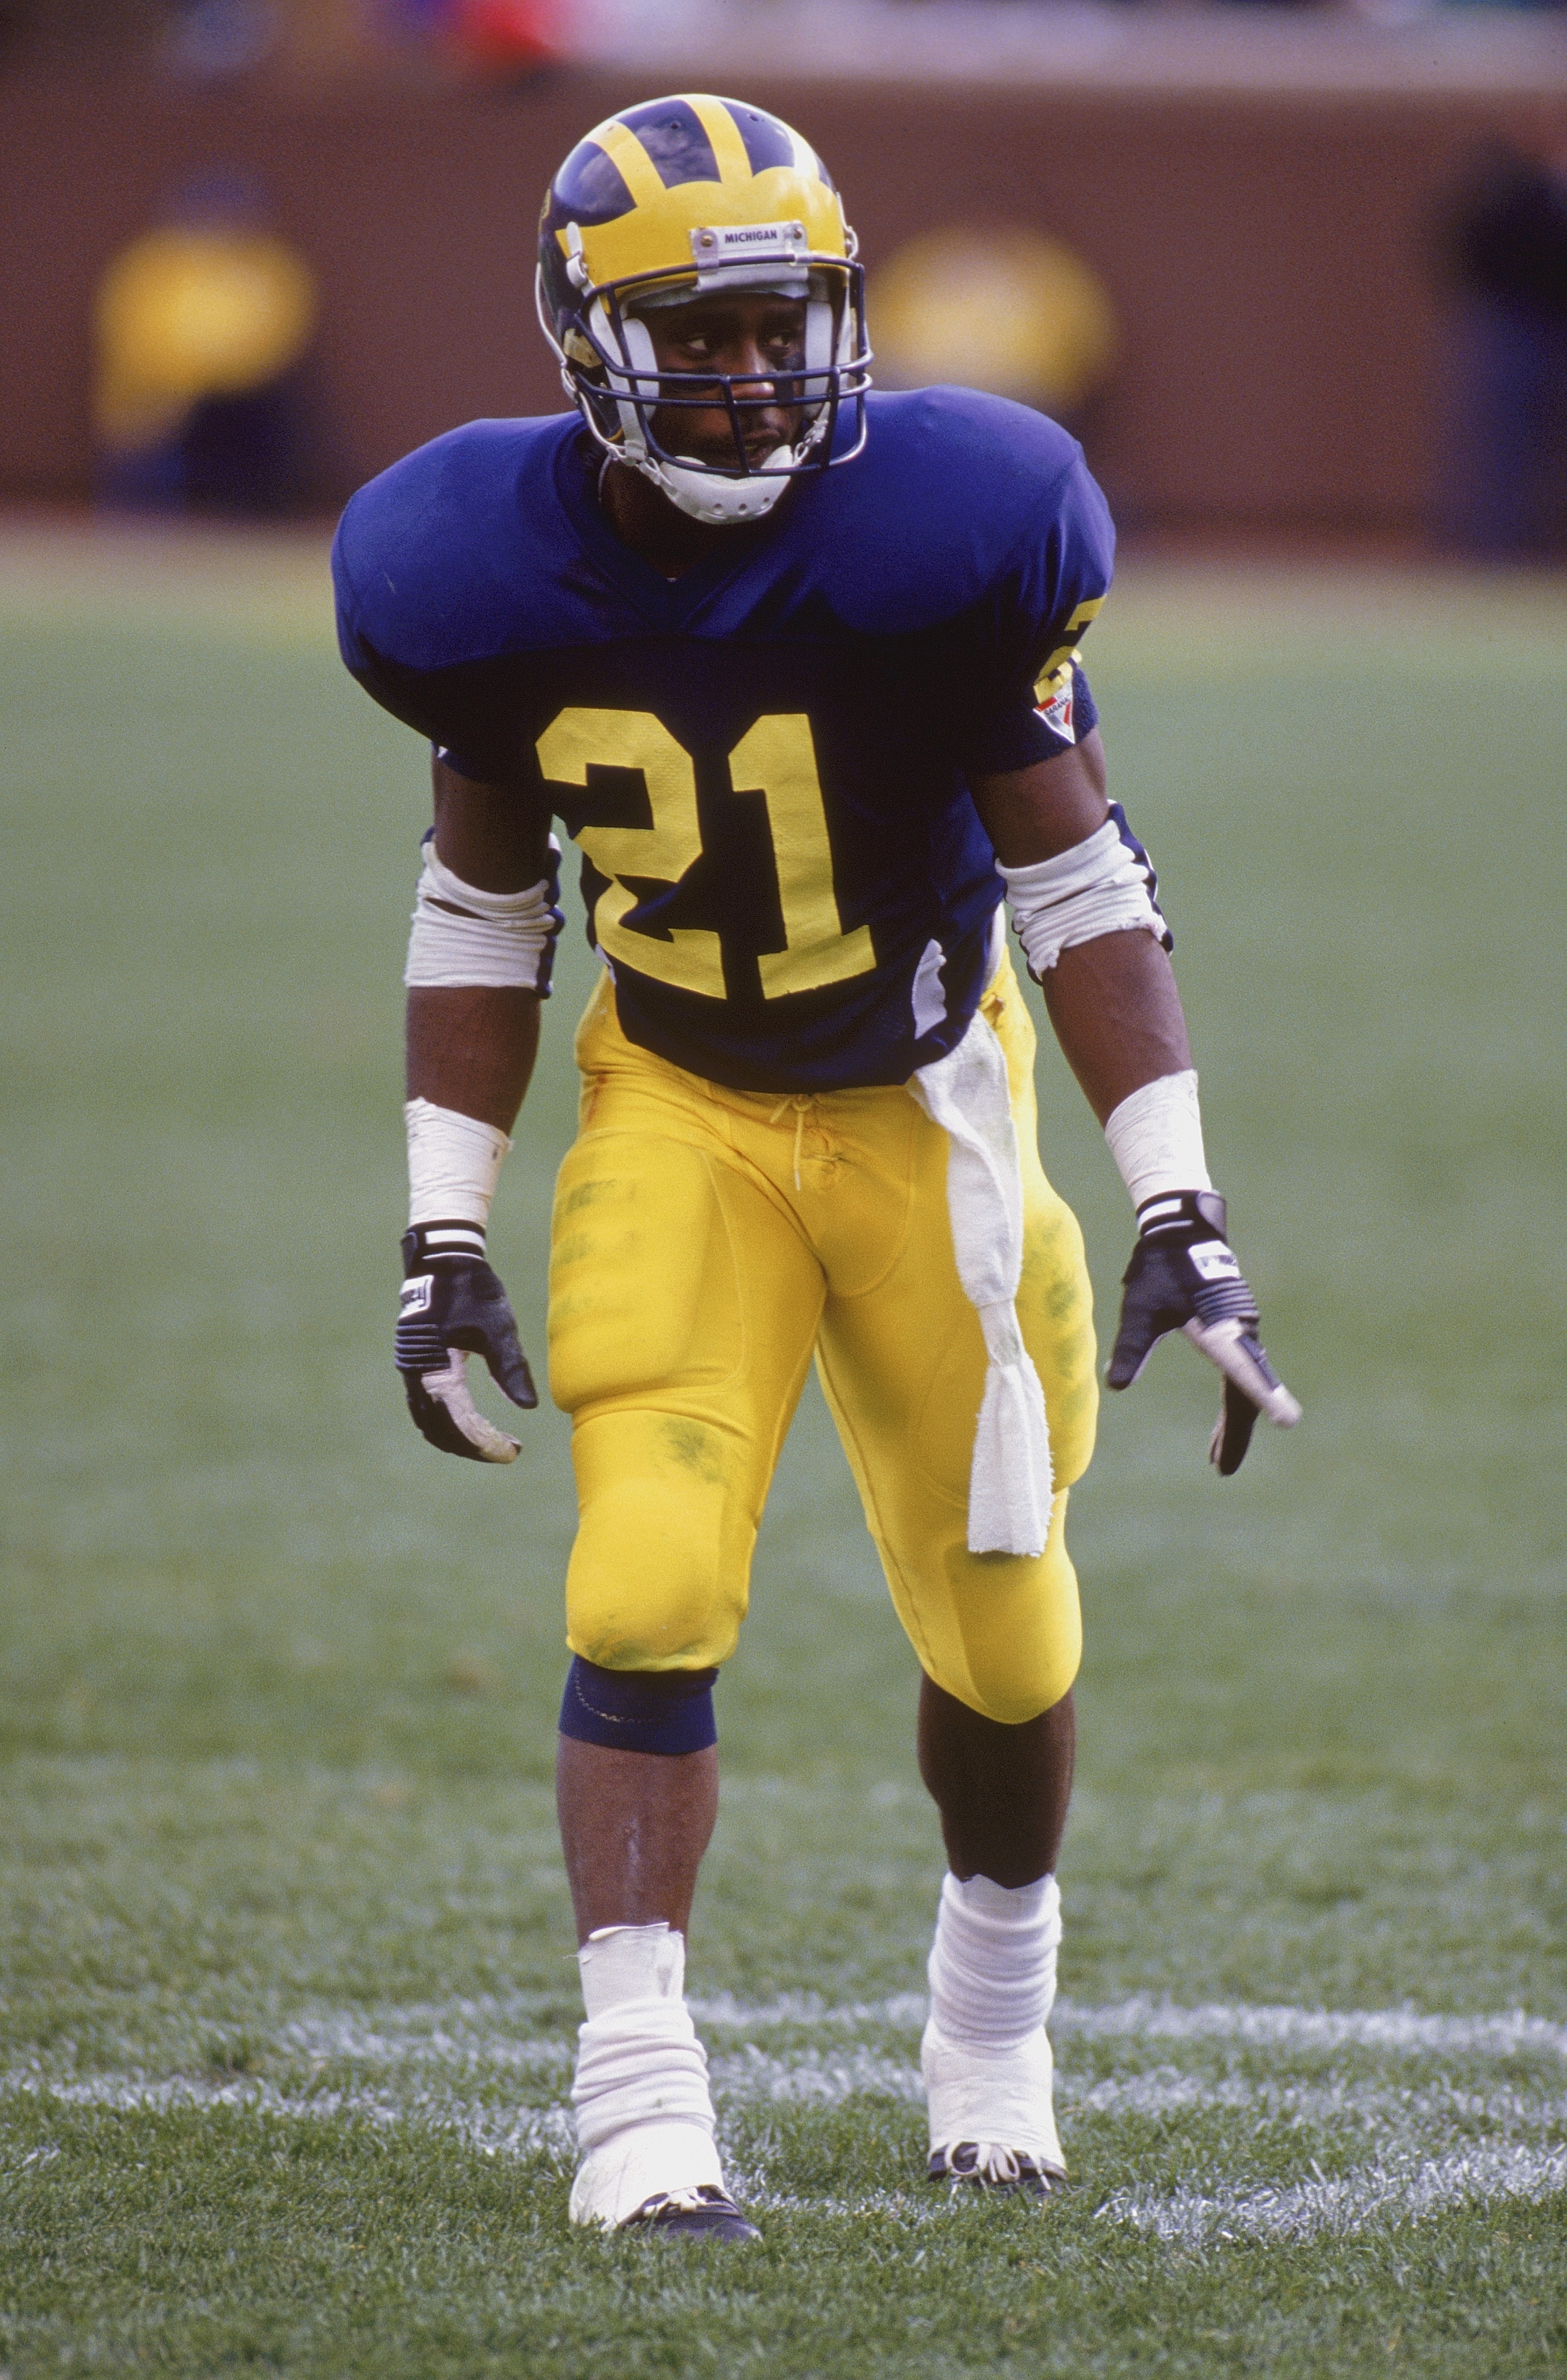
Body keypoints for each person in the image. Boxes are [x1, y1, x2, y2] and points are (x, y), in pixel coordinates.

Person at [332, 94, 1299, 2243]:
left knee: (1007, 1636)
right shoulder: (464, 567)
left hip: (925, 1100)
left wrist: (1176, 1198)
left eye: (786, 325)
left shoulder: (950, 520)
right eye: (703, 333)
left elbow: (1080, 879)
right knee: (644, 1576)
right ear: (588, 345)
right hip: (674, 1093)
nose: (757, 375)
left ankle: (989, 2029)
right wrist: (436, 1217)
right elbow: (484, 902)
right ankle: (637, 2090)